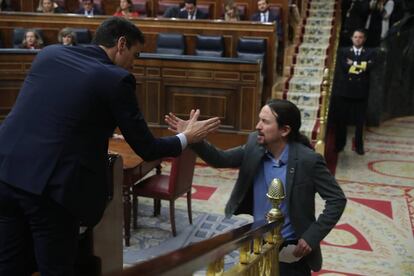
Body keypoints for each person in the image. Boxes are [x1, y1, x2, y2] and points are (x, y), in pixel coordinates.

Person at [0, 17, 220, 275]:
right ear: (121, 44)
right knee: (55, 269)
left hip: (6, 173)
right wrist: (186, 137)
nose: (133, 65)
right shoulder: (115, 79)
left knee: (9, 265)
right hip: (51, 190)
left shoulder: (49, 54)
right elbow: (146, 148)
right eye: (135, 55)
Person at [165, 99, 347, 275]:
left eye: (265, 122)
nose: (258, 126)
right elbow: (220, 159)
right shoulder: (255, 145)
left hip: (290, 251)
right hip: (257, 242)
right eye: (259, 119)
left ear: (285, 130)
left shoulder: (308, 160)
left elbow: (337, 199)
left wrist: (311, 236)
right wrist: (191, 138)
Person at [334, 29, 375, 155]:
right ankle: (340, 144)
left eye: (360, 37)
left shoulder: (370, 52)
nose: (358, 39)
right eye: (355, 37)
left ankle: (358, 146)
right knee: (342, 120)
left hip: (361, 91)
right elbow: (345, 67)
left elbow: (370, 66)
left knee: (359, 122)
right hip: (346, 90)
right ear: (352, 38)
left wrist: (354, 64)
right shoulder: (344, 51)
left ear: (364, 39)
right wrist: (361, 65)